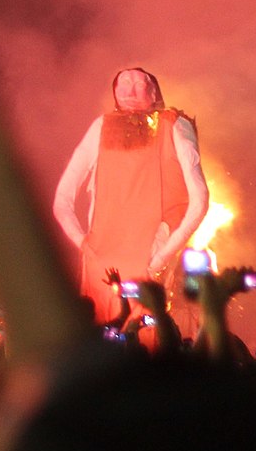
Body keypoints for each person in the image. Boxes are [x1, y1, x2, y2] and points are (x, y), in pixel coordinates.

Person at [53, 67, 209, 297]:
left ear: (154, 92)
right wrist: (84, 244)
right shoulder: (101, 127)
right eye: (123, 83)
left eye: (138, 83)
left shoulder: (173, 125)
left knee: (148, 328)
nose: (130, 89)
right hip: (100, 267)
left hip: (150, 259)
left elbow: (200, 200)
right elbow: (62, 200)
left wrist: (160, 256)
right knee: (103, 328)